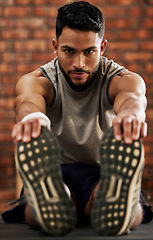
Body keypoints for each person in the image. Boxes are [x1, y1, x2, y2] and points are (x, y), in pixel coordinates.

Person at [1, 0, 153, 236]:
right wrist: (32, 118)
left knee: (109, 197)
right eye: (69, 51)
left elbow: (132, 97)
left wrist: (131, 115)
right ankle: (48, 199)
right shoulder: (38, 80)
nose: (79, 63)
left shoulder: (122, 79)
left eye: (89, 52)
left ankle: (119, 198)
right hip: (56, 171)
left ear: (102, 47)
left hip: (104, 171)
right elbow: (27, 101)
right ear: (55, 46)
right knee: (49, 200)